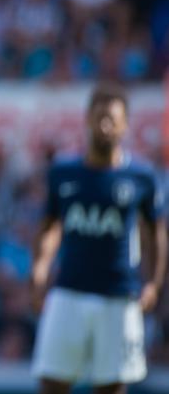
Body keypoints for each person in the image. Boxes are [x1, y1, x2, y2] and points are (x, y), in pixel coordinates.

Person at [31, 83, 167, 394]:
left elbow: (154, 233)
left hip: (118, 297)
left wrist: (153, 283)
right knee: (52, 381)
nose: (105, 125)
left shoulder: (141, 177)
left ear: (126, 125)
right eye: (99, 117)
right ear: (87, 120)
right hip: (69, 291)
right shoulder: (63, 173)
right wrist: (39, 271)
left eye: (112, 119)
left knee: (111, 387)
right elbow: (50, 227)